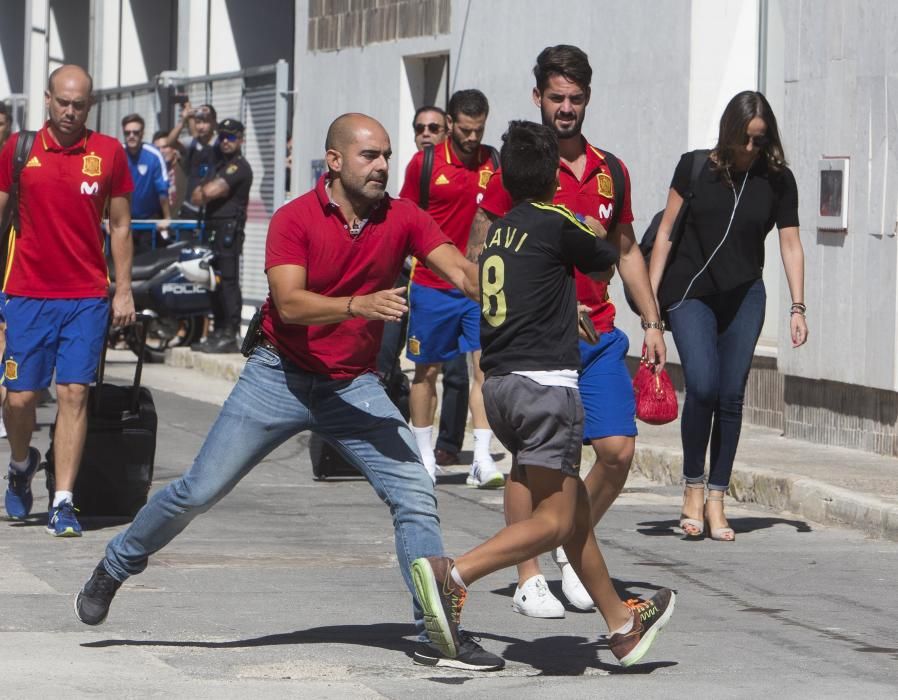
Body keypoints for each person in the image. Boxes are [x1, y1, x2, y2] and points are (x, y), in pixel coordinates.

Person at [74, 112, 505, 673]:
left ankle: (435, 631)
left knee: (415, 493)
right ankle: (117, 563)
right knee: (198, 490)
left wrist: (535, 298)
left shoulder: (404, 218)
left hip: (353, 384)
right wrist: (359, 305)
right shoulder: (294, 219)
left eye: (386, 156)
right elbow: (292, 303)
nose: (382, 166)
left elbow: (466, 275)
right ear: (334, 161)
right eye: (369, 156)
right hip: (278, 375)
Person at [411, 119, 676, 669]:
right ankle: (452, 574)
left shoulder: (500, 231)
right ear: (554, 175)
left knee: (571, 507)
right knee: (554, 521)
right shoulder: (556, 220)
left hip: (502, 385)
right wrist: (581, 221)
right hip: (546, 387)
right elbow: (604, 256)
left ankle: (622, 624)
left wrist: (562, 309)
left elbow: (526, 286)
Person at [471, 44, 666, 617]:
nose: (565, 108)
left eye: (575, 98)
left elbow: (625, 249)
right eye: (555, 97)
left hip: (597, 334)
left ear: (587, 99)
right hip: (533, 343)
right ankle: (528, 573)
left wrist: (651, 320)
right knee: (533, 461)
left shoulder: (611, 171)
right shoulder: (520, 165)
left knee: (617, 450)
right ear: (538, 97)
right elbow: (481, 250)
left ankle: (567, 548)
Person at [648, 90, 808, 541]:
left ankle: (718, 498)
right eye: (745, 139)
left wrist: (797, 305)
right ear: (729, 132)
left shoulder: (777, 180)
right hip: (690, 293)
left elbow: (790, 243)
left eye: (760, 140)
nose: (751, 150)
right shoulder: (695, 166)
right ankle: (692, 488)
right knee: (701, 385)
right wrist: (651, 309)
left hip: (744, 295)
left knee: (731, 395)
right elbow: (664, 233)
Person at [0, 65, 135, 535]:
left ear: (90, 105)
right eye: (62, 102)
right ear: (47, 99)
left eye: (79, 104)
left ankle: (62, 501)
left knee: (74, 393)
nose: (70, 112)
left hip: (85, 297)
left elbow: (119, 224)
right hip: (25, 294)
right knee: (19, 399)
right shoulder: (19, 150)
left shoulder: (108, 153)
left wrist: (122, 288)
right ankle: (21, 467)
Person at [399, 90, 503, 488]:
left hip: (480, 288)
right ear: (450, 122)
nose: (472, 137)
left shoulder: (495, 163)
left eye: (479, 130)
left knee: (485, 372)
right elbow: (405, 217)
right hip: (431, 285)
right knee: (427, 372)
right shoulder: (424, 164)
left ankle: (481, 459)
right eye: (465, 129)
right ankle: (424, 458)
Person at [409, 105, 469, 468]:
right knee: (420, 367)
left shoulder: (480, 165)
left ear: (446, 128)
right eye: (421, 127)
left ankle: (451, 443)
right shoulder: (420, 167)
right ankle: (420, 445)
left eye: (434, 126)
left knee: (461, 373)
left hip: (466, 288)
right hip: (422, 282)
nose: (426, 133)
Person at [188, 118, 253, 354]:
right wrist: (205, 192)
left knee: (228, 282)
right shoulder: (219, 164)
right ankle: (218, 330)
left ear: (240, 140)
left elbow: (209, 192)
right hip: (213, 228)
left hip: (229, 230)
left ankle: (230, 332)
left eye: (232, 137)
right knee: (211, 282)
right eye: (223, 137)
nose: (226, 141)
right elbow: (196, 196)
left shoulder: (239, 167)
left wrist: (206, 191)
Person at [121, 113, 171, 253]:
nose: (131, 136)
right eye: (127, 132)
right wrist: (107, 219)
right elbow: (107, 189)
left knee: (147, 261)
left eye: (136, 132)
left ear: (142, 133)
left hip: (149, 220)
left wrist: (167, 218)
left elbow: (162, 189)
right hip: (124, 219)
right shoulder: (116, 153)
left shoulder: (154, 155)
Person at [166, 102, 218, 220]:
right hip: (190, 207)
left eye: (205, 122)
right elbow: (170, 142)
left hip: (213, 207)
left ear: (213, 122)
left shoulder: (219, 143)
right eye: (198, 122)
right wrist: (183, 120)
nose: (201, 126)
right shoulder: (191, 143)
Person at [152, 129, 184, 218]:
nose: (161, 151)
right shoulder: (154, 172)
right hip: (161, 224)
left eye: (165, 147)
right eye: (157, 148)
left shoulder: (184, 166)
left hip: (181, 224)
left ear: (174, 148)